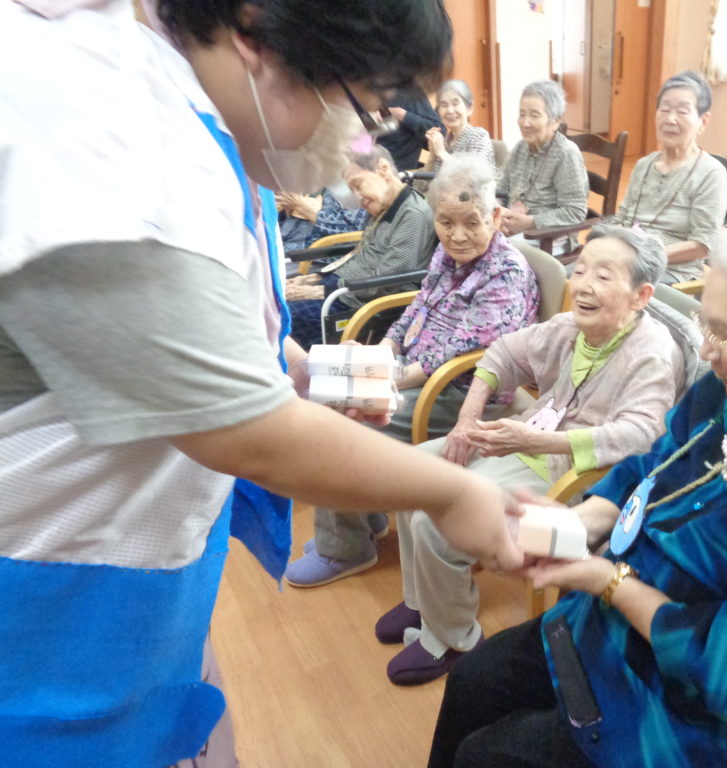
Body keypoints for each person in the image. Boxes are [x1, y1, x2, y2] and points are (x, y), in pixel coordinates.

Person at [0, 1, 524, 766]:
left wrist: (296, 365)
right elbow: (244, 429)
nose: (361, 141)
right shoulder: (105, 128)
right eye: (360, 106)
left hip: (126, 591)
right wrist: (450, 493)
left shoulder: (189, 115)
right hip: (50, 612)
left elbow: (207, 319)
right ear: (255, 32)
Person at [427, 201, 727, 768]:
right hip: (621, 628)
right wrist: (578, 522)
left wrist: (607, 579)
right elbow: (651, 468)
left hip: (709, 716)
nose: (707, 350)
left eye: (726, 333)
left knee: (489, 758)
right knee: (473, 681)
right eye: (707, 324)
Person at [375, 224, 690, 686]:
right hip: (526, 438)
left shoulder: (651, 354)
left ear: (641, 295)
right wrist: (467, 420)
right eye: (580, 270)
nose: (583, 285)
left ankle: (453, 638)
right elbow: (503, 352)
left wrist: (535, 441)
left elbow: (642, 436)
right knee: (414, 474)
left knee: (435, 520)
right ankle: (423, 600)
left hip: (574, 472)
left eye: (603, 276)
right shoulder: (572, 327)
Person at [285, 154, 540, 587]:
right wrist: (382, 352)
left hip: (462, 392)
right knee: (323, 394)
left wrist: (384, 375)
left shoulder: (506, 274)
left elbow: (461, 354)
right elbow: (414, 311)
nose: (457, 235)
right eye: (445, 222)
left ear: (496, 217)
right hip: (416, 374)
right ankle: (359, 521)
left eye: (472, 222)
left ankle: (345, 548)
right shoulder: (446, 255)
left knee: (337, 425)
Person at [285, 145, 436, 349]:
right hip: (343, 287)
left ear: (383, 169)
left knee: (281, 316)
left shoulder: (413, 215)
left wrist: (314, 291)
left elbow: (382, 284)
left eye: (358, 185)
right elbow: (359, 254)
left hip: (361, 304)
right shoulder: (384, 205)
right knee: (274, 301)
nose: (357, 197)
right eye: (352, 190)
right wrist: (312, 279)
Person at [613, 71, 727, 284]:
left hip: (672, 272)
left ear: (703, 122)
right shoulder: (644, 165)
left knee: (603, 288)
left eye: (682, 111)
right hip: (627, 261)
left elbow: (703, 244)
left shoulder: (711, 173)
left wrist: (646, 256)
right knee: (568, 277)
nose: (670, 119)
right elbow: (622, 218)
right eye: (664, 109)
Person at [498, 80, 588, 248]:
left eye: (534, 115)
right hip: (513, 230)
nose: (525, 123)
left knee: (491, 250)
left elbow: (575, 212)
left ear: (555, 121)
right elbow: (500, 190)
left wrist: (530, 222)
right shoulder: (520, 147)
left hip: (548, 238)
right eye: (522, 114)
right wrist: (499, 213)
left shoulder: (566, 153)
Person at [424, 79, 495, 175]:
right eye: (444, 105)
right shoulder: (445, 141)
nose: (449, 110)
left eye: (455, 104)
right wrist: (432, 156)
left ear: (469, 108)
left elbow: (474, 178)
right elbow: (422, 183)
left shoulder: (478, 137)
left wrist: (442, 153)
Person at [276, 187, 369, 252]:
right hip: (282, 249)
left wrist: (304, 208)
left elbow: (351, 233)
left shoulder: (347, 189)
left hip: (313, 258)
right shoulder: (304, 184)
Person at [377, 85, 444, 172]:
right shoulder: (363, 91)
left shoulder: (409, 92)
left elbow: (439, 131)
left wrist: (402, 115)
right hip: (367, 167)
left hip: (401, 173)